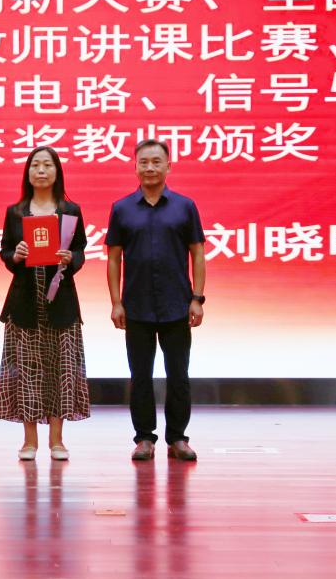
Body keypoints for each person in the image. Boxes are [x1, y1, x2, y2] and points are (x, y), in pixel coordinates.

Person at [105, 139, 206, 461]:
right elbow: (113, 259)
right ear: (135, 167)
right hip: (136, 306)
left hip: (177, 305)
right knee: (140, 376)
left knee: (179, 376)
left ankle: (178, 438)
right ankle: (144, 438)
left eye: (156, 162)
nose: (150, 167)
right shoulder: (122, 208)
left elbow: (198, 253)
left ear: (168, 166)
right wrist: (116, 302)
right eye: (144, 162)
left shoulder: (185, 206)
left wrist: (198, 298)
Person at [0, 146, 90, 461]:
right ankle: (29, 441)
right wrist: (16, 255)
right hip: (25, 299)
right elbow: (5, 251)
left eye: (47, 165)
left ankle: (57, 441)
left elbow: (81, 250)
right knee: (27, 370)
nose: (41, 170)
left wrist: (71, 258)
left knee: (61, 369)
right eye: (35, 165)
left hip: (61, 300)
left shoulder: (70, 210)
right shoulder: (16, 211)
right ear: (28, 172)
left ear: (57, 171)